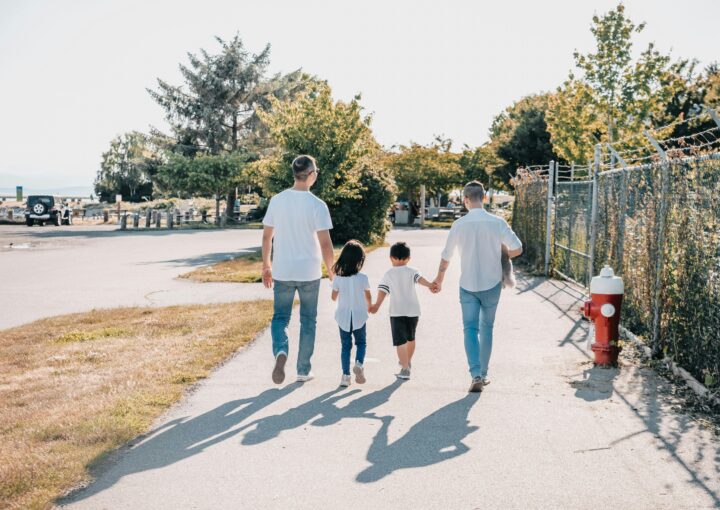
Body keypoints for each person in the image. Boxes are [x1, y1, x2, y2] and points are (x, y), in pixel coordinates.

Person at [431, 181, 523, 393]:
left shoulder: (459, 225)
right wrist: (501, 254)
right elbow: (517, 248)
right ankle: (485, 372)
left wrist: (439, 280)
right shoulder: (497, 222)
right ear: (484, 198)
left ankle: (475, 374)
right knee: (487, 328)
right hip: (492, 284)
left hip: (468, 285)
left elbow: (446, 257)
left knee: (470, 329)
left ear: (465, 200)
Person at [262, 155, 335, 384]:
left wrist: (266, 265)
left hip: (283, 270)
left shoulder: (277, 200)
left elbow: (267, 237)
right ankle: (303, 369)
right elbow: (325, 243)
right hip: (309, 272)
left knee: (280, 318)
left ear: (295, 174)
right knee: (308, 320)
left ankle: (281, 352)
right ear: (311, 175)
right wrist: (332, 272)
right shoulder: (317, 205)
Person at [369, 242, 435, 380]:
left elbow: (383, 290)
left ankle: (405, 369)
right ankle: (407, 362)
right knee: (411, 338)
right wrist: (430, 285)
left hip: (396, 311)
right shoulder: (413, 271)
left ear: (391, 258)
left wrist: (376, 305)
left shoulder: (388, 274)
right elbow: (420, 280)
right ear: (408, 258)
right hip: (413, 310)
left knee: (400, 341)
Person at [331, 240, 371, 387]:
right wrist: (370, 306)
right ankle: (359, 364)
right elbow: (368, 295)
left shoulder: (338, 278)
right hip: (359, 315)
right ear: (360, 260)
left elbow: (333, 297)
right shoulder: (363, 278)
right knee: (361, 343)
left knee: (345, 346)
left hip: (343, 316)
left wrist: (337, 289)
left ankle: (345, 376)